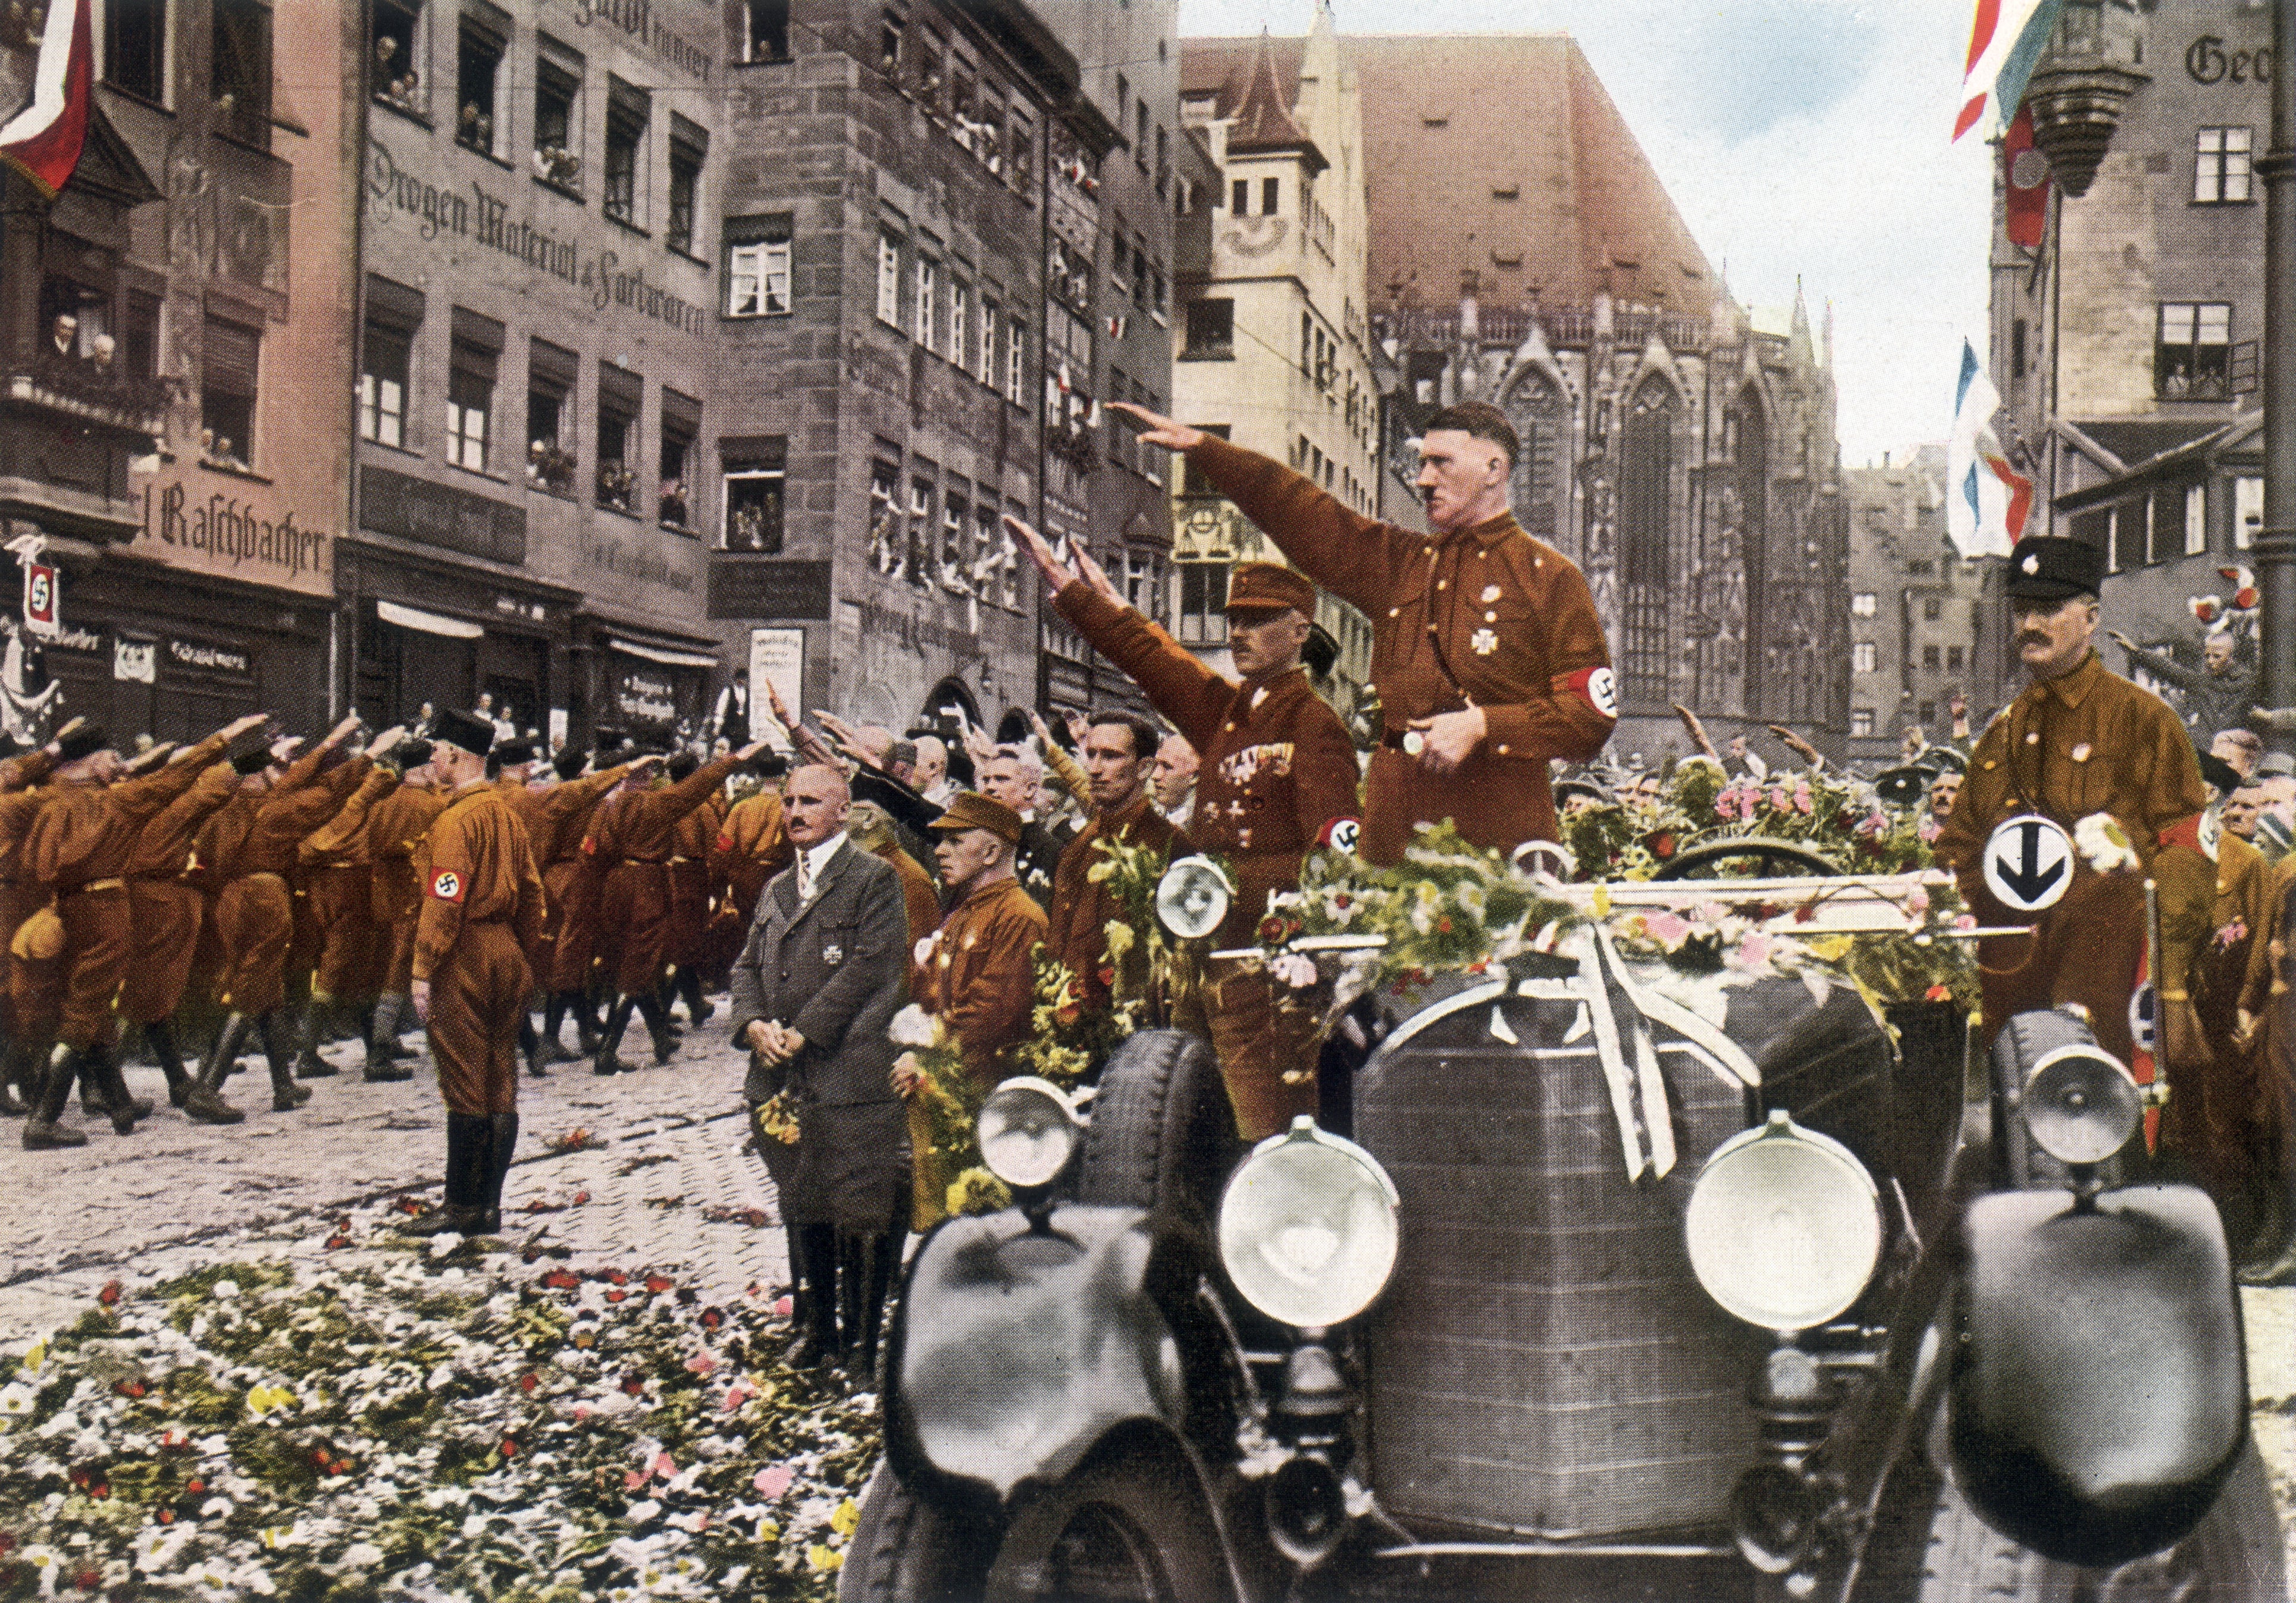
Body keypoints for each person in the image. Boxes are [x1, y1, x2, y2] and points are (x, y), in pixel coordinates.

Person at [1112, 399, 1615, 864]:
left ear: (1493, 470)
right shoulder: (1401, 564)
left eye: (1441, 463)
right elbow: (1309, 515)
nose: (1422, 478)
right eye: (1421, 463)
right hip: (1395, 829)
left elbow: (1590, 715)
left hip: (1501, 833)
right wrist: (1209, 452)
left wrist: (1484, 725)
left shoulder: (1548, 576)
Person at [1017, 520, 1360, 1138]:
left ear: (1299, 631)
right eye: (1233, 621)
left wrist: (1302, 942)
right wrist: (1076, 597)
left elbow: (1334, 857)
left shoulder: (1313, 724)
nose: (1238, 634)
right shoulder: (1233, 715)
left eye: (1257, 621)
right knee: (1191, 1129)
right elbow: (1155, 663)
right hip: (1203, 962)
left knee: (1263, 1132)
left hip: (1265, 968)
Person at [1934, 536, 2210, 1069]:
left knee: (2097, 1124)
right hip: (2010, 980)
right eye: (2021, 611)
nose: (2029, 625)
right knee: (2014, 1125)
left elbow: (2188, 853)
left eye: (2049, 609)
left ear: (2090, 618)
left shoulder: (2142, 720)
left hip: (2105, 979)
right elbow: (1960, 848)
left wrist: (2137, 869)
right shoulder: (2004, 732)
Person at [730, 763, 910, 1375]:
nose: (795, 812)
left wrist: (803, 1031)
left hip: (848, 1074)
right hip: (782, 1078)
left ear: (843, 810)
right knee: (801, 1201)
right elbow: (747, 967)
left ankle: (860, 1344)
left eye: (810, 801)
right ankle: (816, 1332)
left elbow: (871, 968)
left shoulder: (873, 880)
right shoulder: (778, 886)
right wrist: (754, 1024)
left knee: (857, 1209)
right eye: (788, 801)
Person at [400, 710, 547, 1236]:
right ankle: (490, 1205)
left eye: (438, 750)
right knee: (500, 1080)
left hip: (464, 952)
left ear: (459, 756)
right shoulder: (506, 814)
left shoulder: (455, 821)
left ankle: (462, 1205)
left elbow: (445, 896)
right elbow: (532, 892)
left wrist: (422, 969)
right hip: (505, 947)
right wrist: (519, 953)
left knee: (464, 1080)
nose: (433, 760)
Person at [900, 791, 1048, 1230]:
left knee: (982, 1224)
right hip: (946, 1088)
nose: (940, 851)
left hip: (984, 1095)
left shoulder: (1018, 915)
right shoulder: (967, 911)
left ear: (989, 851)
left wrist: (925, 1054)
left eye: (954, 841)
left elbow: (995, 1010)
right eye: (939, 842)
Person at [584, 740, 765, 1073]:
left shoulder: (603, 808)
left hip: (614, 886)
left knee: (632, 963)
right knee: (638, 968)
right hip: (647, 887)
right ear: (645, 775)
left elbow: (592, 854)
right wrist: (732, 761)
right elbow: (695, 789)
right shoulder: (654, 805)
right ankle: (607, 1053)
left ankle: (660, 1039)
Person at [1044, 712, 1186, 1016]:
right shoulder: (1081, 843)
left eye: (1110, 757)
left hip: (1129, 1022)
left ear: (1144, 768)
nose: (1094, 769)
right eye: (1090, 755)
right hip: (1068, 1015)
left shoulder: (1169, 844)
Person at [2109, 625, 2255, 738]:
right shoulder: (2204, 681)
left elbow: (2226, 723)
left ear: (2231, 657)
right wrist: (2136, 651)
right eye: (2207, 656)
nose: (2210, 661)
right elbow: (2173, 671)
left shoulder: (2245, 682)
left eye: (2217, 656)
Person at [1151, 731, 1199, 830]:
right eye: (1155, 765)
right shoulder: (1152, 814)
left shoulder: (1200, 826)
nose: (1155, 775)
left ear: (1194, 776)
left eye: (1167, 767)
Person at [711, 669, 752, 747]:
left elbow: (751, 713)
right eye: (739, 678)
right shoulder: (728, 691)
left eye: (743, 679)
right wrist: (717, 727)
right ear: (736, 679)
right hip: (730, 725)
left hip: (743, 726)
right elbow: (721, 709)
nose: (741, 681)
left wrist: (752, 733)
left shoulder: (748, 693)